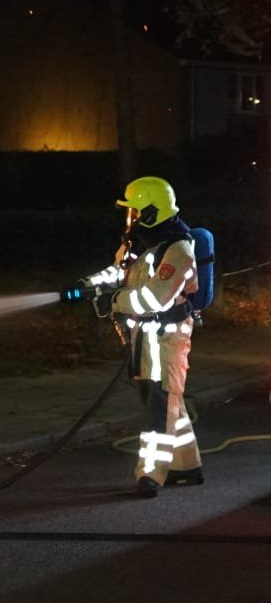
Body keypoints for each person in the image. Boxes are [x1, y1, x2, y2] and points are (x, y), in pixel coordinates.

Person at [76, 176, 204, 497]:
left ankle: (150, 473)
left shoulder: (178, 248)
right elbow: (119, 271)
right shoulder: (139, 242)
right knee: (163, 398)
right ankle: (187, 465)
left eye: (135, 212)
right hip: (144, 336)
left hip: (168, 335)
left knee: (160, 405)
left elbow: (155, 299)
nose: (130, 218)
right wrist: (90, 284)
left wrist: (114, 300)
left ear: (152, 211)